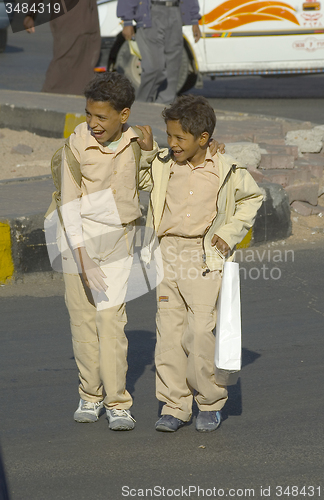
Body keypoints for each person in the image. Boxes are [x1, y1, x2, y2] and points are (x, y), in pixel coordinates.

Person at [139, 95, 263, 432]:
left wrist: (229, 231)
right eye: (170, 136)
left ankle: (209, 402)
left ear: (203, 139)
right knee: (168, 336)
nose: (173, 143)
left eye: (180, 138)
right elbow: (140, 179)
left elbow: (253, 197)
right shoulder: (164, 163)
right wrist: (149, 151)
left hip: (204, 257)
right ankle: (174, 405)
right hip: (167, 254)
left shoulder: (225, 168)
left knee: (199, 333)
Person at [58, 72, 155, 431]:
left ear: (123, 115)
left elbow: (149, 183)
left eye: (102, 117)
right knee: (83, 320)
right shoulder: (77, 143)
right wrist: (82, 259)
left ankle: (117, 402)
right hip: (76, 241)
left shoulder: (136, 142)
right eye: (89, 115)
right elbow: (69, 205)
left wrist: (148, 152)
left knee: (111, 321)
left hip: (118, 239)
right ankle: (90, 395)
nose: (93, 123)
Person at [117, 0, 201, 104]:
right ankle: (141, 105)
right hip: (151, 12)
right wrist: (127, 21)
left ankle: (164, 108)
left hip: (175, 11)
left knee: (173, 68)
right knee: (155, 68)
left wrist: (194, 20)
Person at [23, 0, 101, 95]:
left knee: (87, 56)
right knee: (65, 57)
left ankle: (79, 97)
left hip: (89, 13)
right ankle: (48, 96)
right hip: (69, 14)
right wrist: (30, 14)